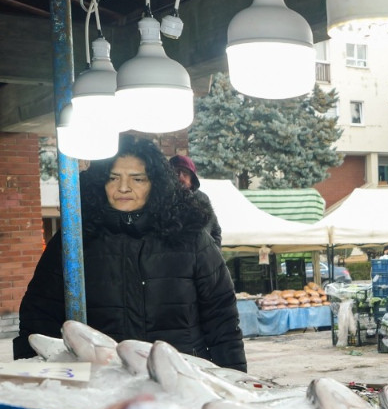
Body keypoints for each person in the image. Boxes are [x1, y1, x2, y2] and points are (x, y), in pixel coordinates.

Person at [15, 136, 247, 371]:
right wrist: (33, 378)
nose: (123, 187)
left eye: (137, 179)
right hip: (102, 384)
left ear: (155, 184)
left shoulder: (192, 239)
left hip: (180, 380)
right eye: (113, 178)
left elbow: (222, 318)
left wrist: (236, 380)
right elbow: (39, 316)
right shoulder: (74, 241)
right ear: (100, 183)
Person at [169, 154, 222, 246]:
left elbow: (215, 230)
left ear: (192, 178)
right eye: (176, 173)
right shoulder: (161, 200)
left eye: (185, 173)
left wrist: (213, 254)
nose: (181, 177)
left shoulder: (202, 199)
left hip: (201, 257)